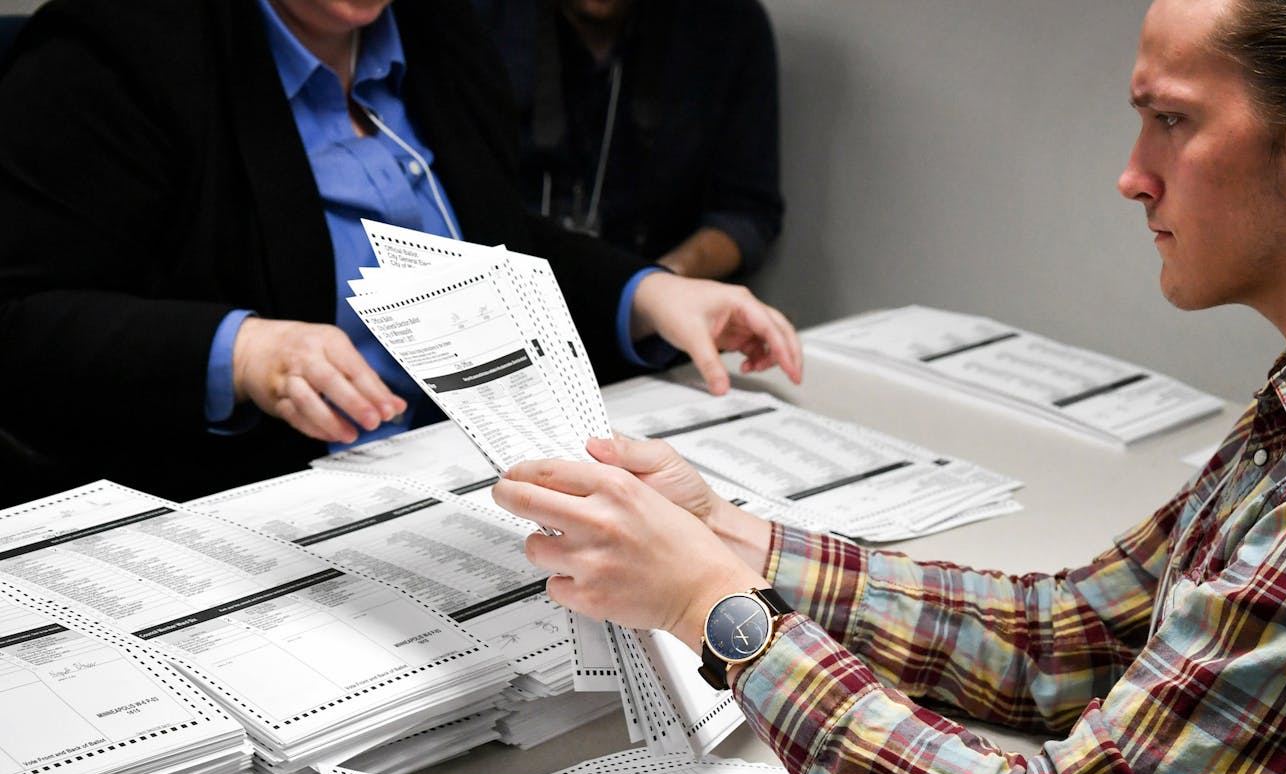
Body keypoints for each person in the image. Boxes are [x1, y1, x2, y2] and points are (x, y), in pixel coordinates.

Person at [492, 0, 1286, 774]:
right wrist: (730, 540)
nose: (1133, 176)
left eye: (1172, 120)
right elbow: (1074, 634)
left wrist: (722, 610)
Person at [0, 0, 800, 506]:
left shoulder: (443, 28)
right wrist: (240, 351)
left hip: (465, 477)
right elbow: (22, 322)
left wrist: (649, 292)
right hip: (259, 507)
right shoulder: (111, 50)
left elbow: (496, 243)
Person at [476, 0, 783, 281]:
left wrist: (657, 283)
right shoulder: (477, 21)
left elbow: (748, 212)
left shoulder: (728, 27)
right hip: (501, 293)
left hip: (652, 308)